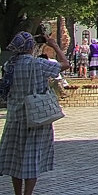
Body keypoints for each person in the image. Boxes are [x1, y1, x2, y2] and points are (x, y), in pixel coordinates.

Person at [0, 31, 69, 195]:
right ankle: (28, 193)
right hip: (36, 117)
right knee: (31, 158)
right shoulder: (38, 64)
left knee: (15, 159)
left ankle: (17, 193)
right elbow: (65, 64)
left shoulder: (9, 65)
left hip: (15, 118)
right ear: (31, 47)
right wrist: (54, 45)